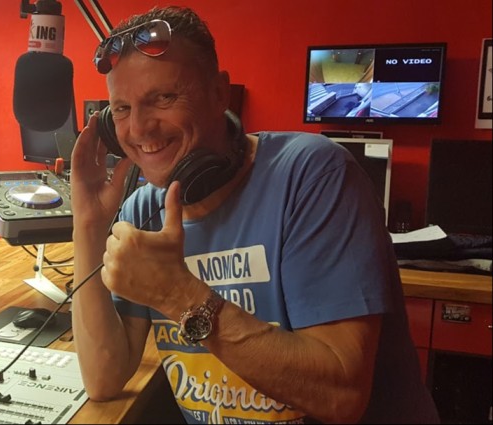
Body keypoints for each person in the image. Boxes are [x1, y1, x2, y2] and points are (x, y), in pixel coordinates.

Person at [69, 5, 439, 424]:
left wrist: (178, 295)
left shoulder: (313, 176)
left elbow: (342, 396)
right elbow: (104, 378)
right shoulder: (143, 211)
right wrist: (88, 224)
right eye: (121, 109)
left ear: (219, 93)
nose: (138, 129)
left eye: (164, 98)